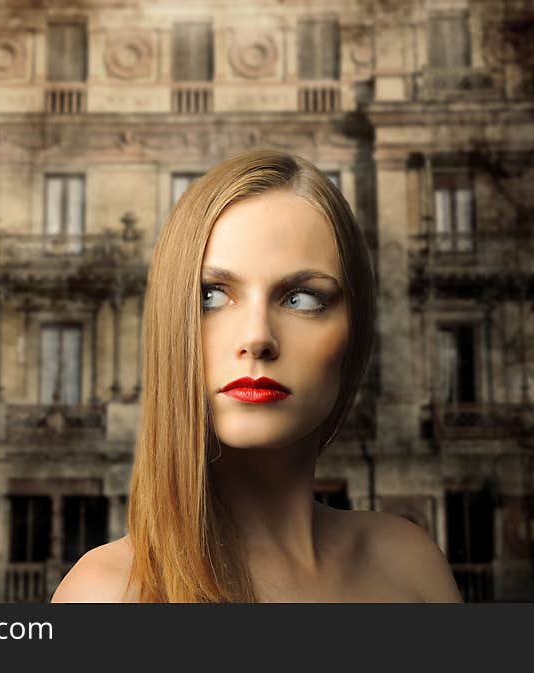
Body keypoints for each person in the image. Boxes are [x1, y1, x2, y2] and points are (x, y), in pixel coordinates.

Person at [52, 149, 462, 603]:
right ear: (171, 320)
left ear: (354, 331)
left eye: (302, 299)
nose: (257, 338)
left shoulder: (410, 565)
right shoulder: (106, 594)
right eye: (211, 296)